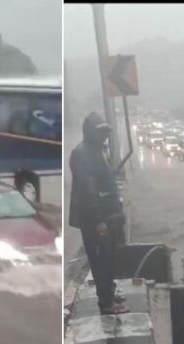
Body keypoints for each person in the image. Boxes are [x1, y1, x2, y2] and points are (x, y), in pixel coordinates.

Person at [69, 112, 128, 315]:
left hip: (107, 216)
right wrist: (98, 221)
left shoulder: (96, 151)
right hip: (96, 220)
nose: (104, 135)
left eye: (105, 132)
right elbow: (87, 191)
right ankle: (106, 303)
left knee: (109, 258)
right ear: (91, 132)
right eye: (100, 132)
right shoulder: (81, 154)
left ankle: (109, 293)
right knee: (100, 260)